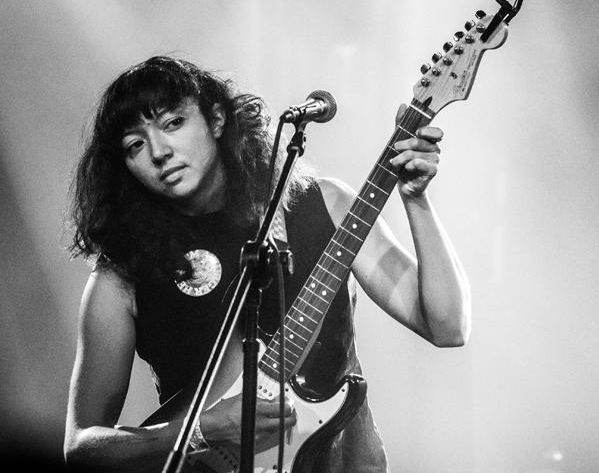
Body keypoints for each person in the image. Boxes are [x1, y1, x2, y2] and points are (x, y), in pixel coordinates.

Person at [63, 56, 470, 472]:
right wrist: (202, 429)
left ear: (216, 120)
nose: (159, 152)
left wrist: (416, 200)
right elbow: (81, 446)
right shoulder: (121, 274)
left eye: (172, 123)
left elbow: (447, 325)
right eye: (135, 145)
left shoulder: (323, 204)